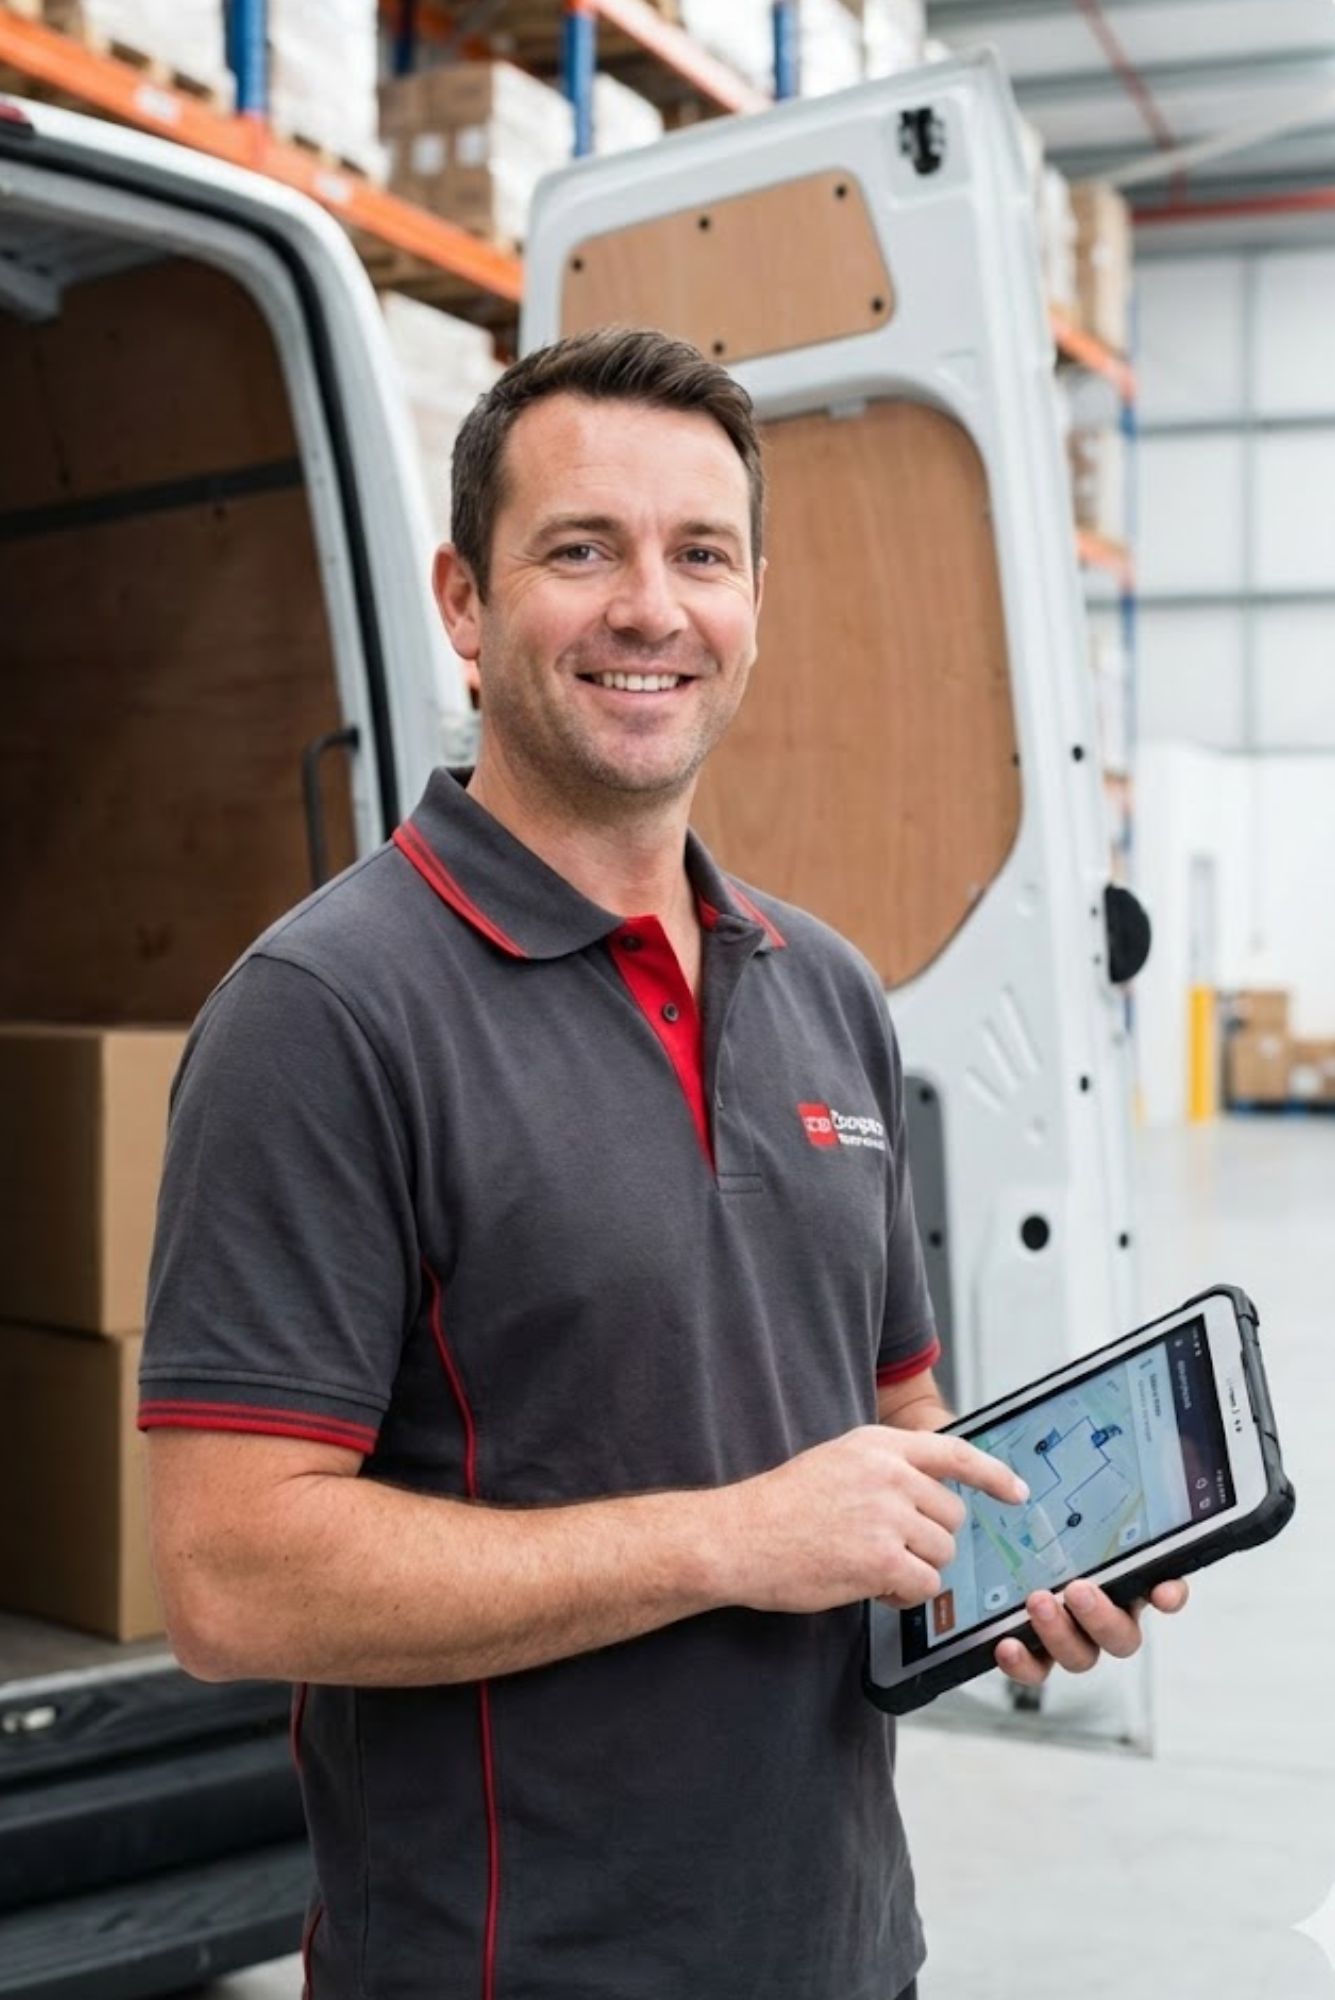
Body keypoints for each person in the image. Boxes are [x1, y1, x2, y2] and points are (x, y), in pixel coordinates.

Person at [141, 328, 1187, 2000]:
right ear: (466, 606)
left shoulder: (825, 988)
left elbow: (895, 1420)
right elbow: (230, 1579)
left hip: (842, 1950)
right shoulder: (324, 1017)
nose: (651, 608)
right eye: (581, 549)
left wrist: (1018, 1563)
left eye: (701, 554)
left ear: (752, 602)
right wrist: (727, 1541)